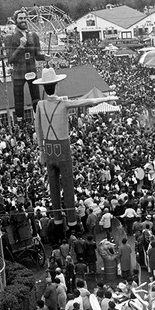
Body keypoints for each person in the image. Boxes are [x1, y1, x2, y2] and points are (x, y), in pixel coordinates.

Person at [34, 67, 115, 232]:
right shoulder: (64, 103)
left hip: (48, 150)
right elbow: (84, 102)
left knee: (54, 187)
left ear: (44, 87)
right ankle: (71, 221)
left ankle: (57, 219)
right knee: (68, 185)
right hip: (62, 149)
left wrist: (41, 151)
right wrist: (105, 98)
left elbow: (38, 129)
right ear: (56, 85)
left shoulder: (40, 105)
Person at [4, 9, 47, 122]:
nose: (23, 21)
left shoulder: (33, 36)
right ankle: (19, 120)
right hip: (18, 72)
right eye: (20, 18)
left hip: (31, 70)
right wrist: (20, 47)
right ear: (15, 20)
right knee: (19, 98)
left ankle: (39, 118)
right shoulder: (9, 37)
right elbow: (10, 59)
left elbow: (37, 55)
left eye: (25, 18)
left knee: (36, 96)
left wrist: (44, 57)